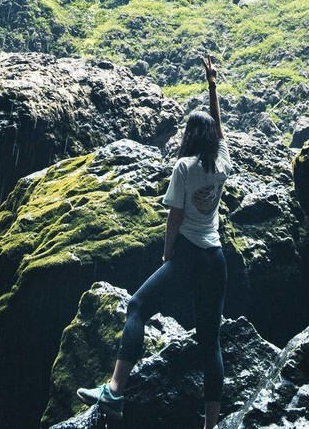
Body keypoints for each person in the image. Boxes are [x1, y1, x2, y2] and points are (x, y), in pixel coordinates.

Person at [78, 52, 231, 428]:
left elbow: (174, 218)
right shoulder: (222, 161)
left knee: (137, 306)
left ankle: (114, 390)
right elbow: (221, 129)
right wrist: (213, 86)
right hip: (216, 258)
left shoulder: (184, 167)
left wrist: (167, 258)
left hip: (188, 256)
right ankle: (211, 425)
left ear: (190, 136)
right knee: (210, 342)